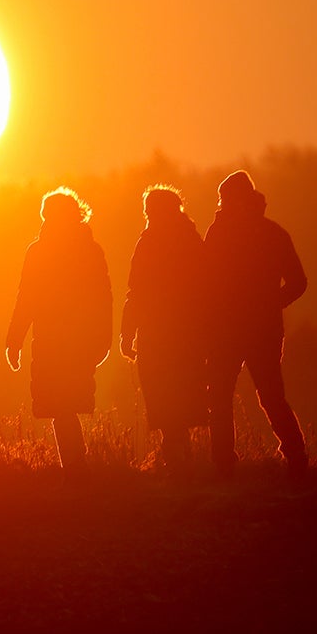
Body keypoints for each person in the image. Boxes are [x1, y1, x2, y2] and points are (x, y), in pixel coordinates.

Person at [205, 170, 309, 478]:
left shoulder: (267, 233)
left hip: (253, 330)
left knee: (264, 396)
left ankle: (295, 458)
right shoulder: (262, 232)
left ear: (242, 199)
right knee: (224, 397)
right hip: (234, 330)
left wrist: (269, 304)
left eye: (227, 199)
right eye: (222, 199)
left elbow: (297, 282)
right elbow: (205, 281)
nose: (223, 204)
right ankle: (224, 465)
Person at [5, 187, 113, 475]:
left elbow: (25, 298)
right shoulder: (89, 250)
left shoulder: (40, 251)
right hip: (74, 341)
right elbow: (104, 298)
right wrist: (103, 341)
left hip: (57, 342)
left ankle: (75, 467)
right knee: (62, 404)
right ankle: (76, 466)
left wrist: (15, 339)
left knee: (61, 404)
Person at [119, 185, 209, 475]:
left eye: (148, 210)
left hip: (156, 332)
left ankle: (174, 456)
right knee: (182, 391)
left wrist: (126, 331)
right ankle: (180, 453)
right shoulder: (192, 238)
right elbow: (206, 285)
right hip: (188, 332)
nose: (146, 215)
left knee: (161, 392)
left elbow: (136, 290)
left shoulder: (148, 242)